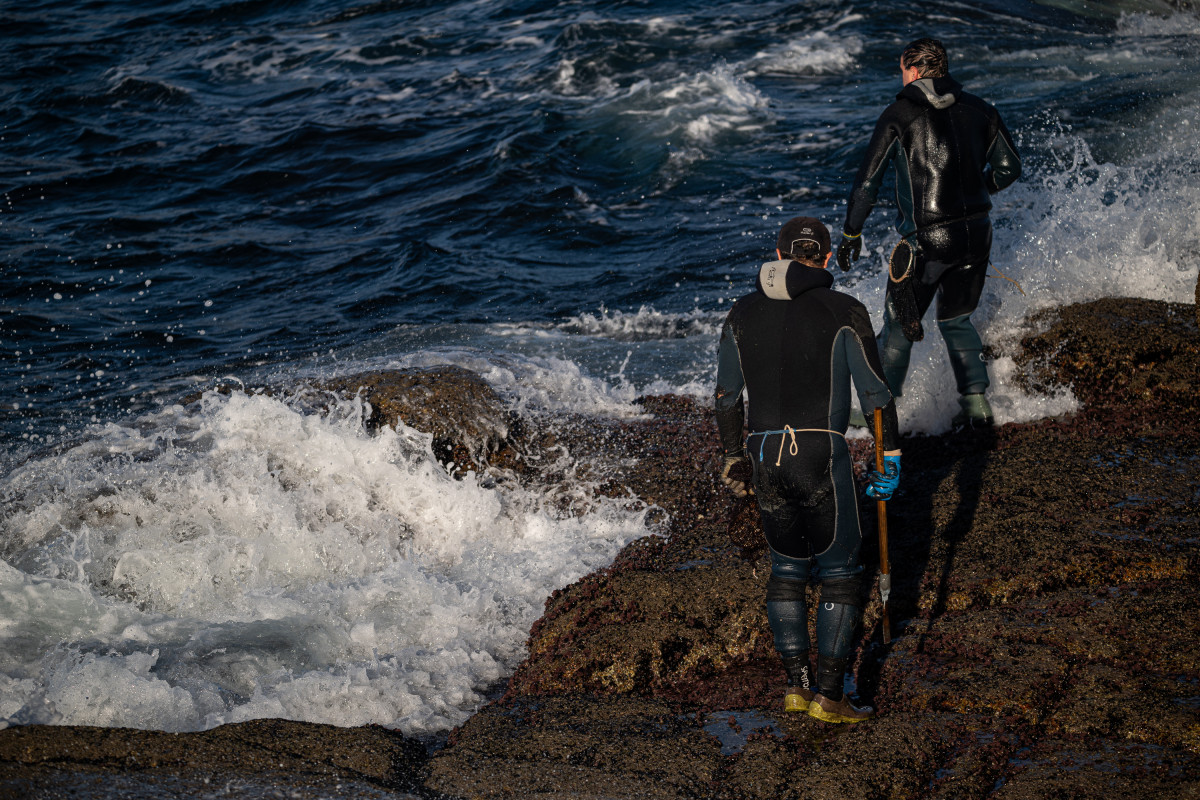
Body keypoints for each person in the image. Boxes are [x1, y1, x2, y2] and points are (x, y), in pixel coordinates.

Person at [715, 216, 902, 724]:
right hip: (820, 453)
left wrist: (733, 456)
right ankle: (829, 695)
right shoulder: (844, 310)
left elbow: (727, 397)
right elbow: (877, 397)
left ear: (778, 253)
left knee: (787, 571)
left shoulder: (740, 313)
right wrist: (892, 458)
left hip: (763, 454)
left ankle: (795, 688)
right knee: (841, 575)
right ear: (823, 259)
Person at [837, 37, 1022, 430]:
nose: (900, 76)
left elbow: (867, 183)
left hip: (925, 240)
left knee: (898, 323)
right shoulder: (981, 109)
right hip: (976, 233)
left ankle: (877, 409)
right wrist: (976, 190)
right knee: (957, 320)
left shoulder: (899, 115)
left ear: (915, 70)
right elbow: (1009, 168)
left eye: (903, 68)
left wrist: (851, 232)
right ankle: (976, 403)